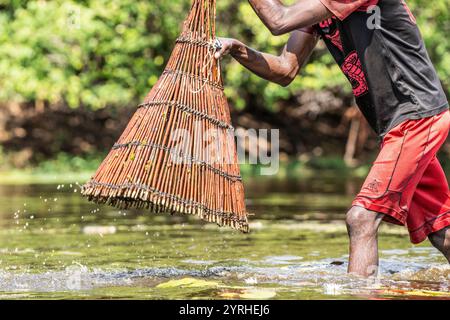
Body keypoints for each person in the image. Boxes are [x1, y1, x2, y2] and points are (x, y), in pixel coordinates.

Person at [215, 0, 450, 277]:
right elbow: (284, 69)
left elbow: (278, 20)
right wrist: (236, 48)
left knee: (361, 218)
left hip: (416, 116)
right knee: (439, 228)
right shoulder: (318, 11)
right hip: (398, 127)